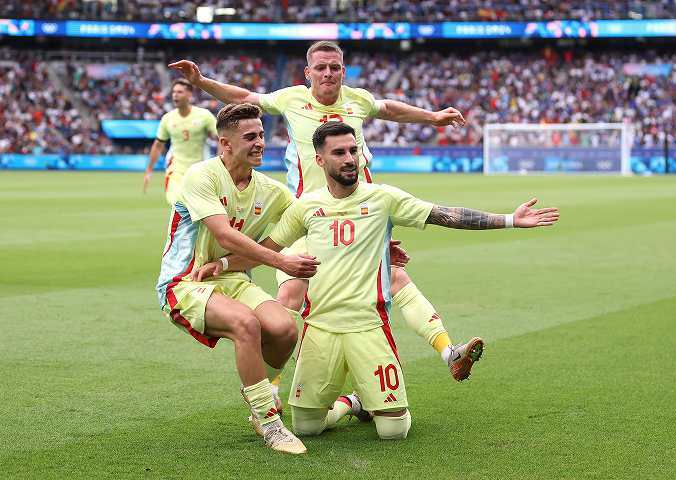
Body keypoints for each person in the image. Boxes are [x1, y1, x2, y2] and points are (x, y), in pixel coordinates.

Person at [193, 122, 560, 440]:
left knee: (394, 432)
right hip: (319, 329)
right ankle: (352, 403)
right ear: (320, 161)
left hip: (369, 327)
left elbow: (445, 215)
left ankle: (370, 399)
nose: (350, 158)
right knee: (306, 427)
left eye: (353, 150)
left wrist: (510, 219)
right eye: (339, 152)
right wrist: (223, 263)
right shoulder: (306, 207)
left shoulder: (383, 198)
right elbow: (267, 248)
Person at [169, 41, 479, 382]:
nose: (328, 73)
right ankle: (272, 387)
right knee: (290, 292)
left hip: (358, 216)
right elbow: (244, 97)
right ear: (308, 73)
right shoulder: (291, 99)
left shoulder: (357, 100)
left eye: (335, 67)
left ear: (343, 71)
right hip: (308, 217)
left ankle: (448, 352)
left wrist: (433, 117)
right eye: (321, 67)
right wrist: (202, 83)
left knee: (395, 279)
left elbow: (389, 108)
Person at [155, 103, 321, 454]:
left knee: (284, 329)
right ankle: (270, 422)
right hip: (184, 283)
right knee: (247, 325)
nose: (260, 142)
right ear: (225, 143)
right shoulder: (202, 175)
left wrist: (379, 243)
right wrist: (281, 261)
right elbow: (225, 234)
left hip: (229, 277)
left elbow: (316, 217)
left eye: (261, 135)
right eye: (250, 137)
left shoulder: (270, 191)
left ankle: (264, 392)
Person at [144, 78, 218, 204]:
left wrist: (223, 164)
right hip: (175, 171)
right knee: (178, 204)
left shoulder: (204, 116)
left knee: (198, 209)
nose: (175, 95)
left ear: (189, 94)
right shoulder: (167, 118)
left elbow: (221, 139)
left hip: (200, 171)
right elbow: (158, 145)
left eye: (179, 92)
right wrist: (149, 170)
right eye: (173, 92)